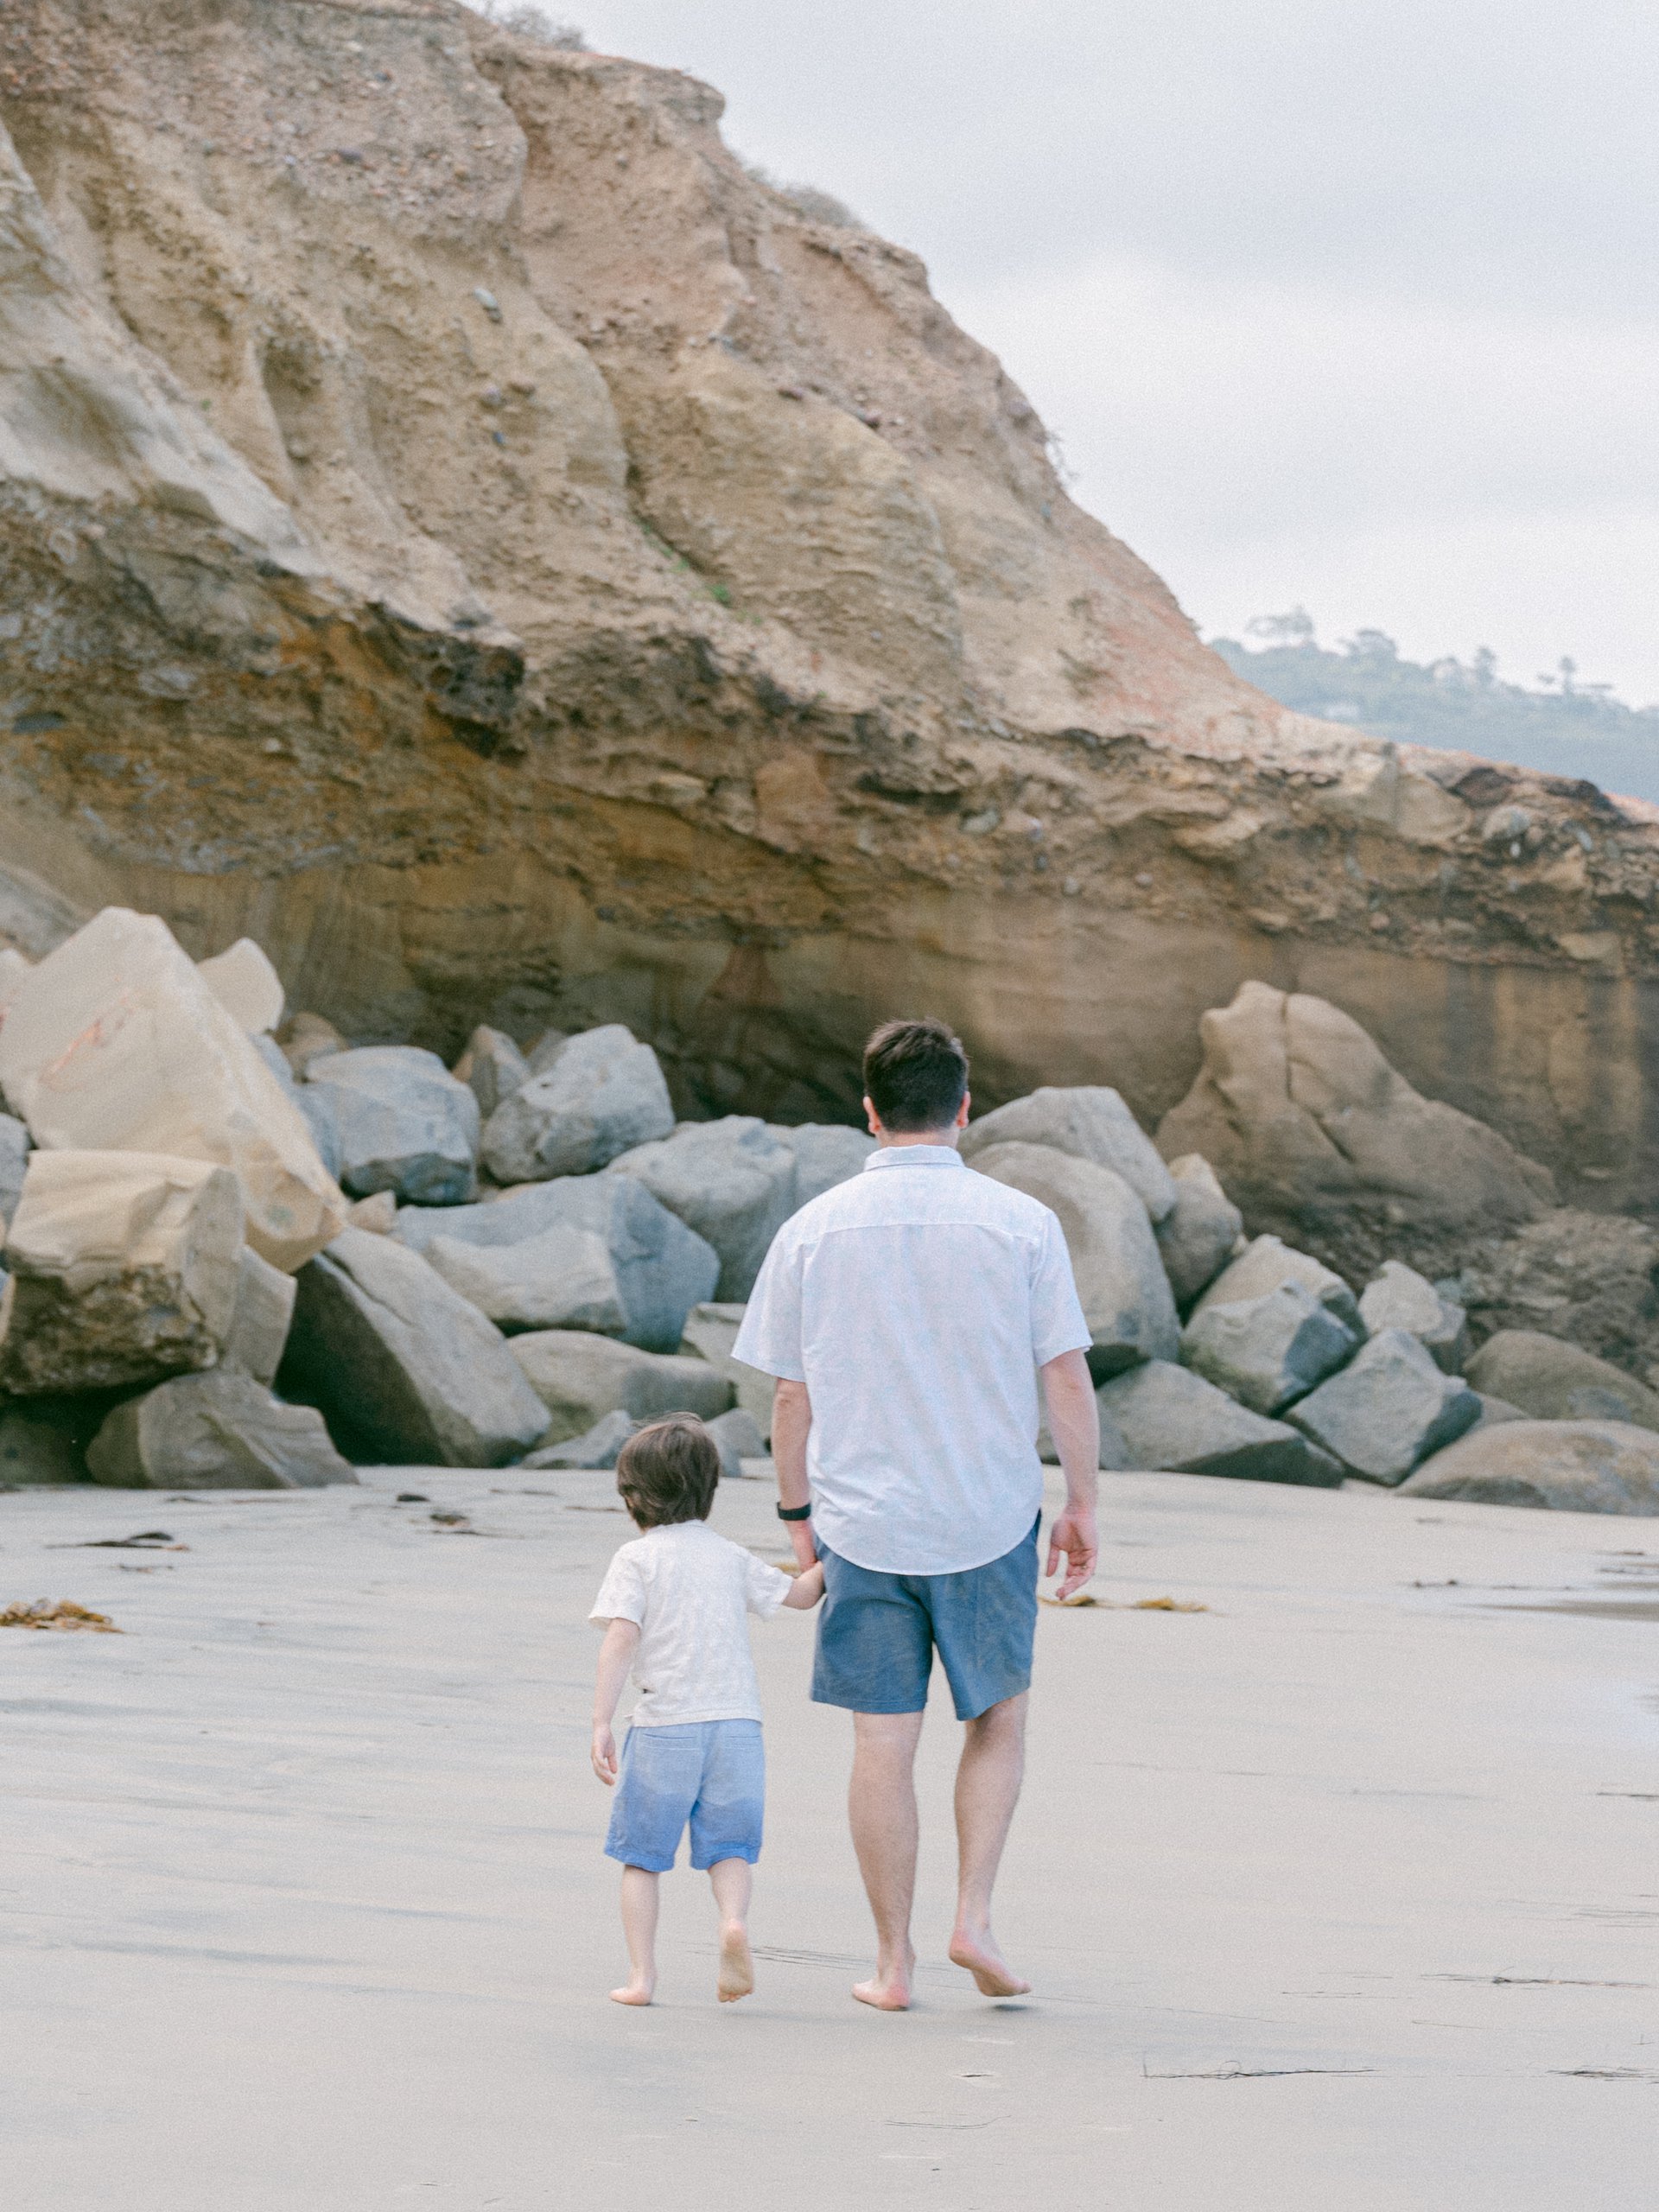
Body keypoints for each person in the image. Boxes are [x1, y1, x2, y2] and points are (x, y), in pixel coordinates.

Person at [734, 1017, 1099, 2012]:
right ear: (964, 1108)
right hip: (987, 1517)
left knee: (881, 1744)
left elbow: (790, 1396)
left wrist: (799, 1518)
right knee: (999, 1721)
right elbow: (1065, 1374)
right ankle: (972, 1917)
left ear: (870, 1112)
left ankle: (893, 1964)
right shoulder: (1022, 1223)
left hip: (864, 1525)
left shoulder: (814, 1229)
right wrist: (1081, 1502)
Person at [589, 1414, 824, 2007]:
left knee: (641, 1859)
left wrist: (600, 1721)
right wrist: (836, 1552)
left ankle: (642, 1978)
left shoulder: (637, 1559)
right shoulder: (729, 1556)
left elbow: (621, 1638)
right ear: (708, 1489)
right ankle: (733, 1922)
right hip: (737, 1727)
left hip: (665, 1727)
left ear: (634, 1496)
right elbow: (802, 1596)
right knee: (730, 1849)